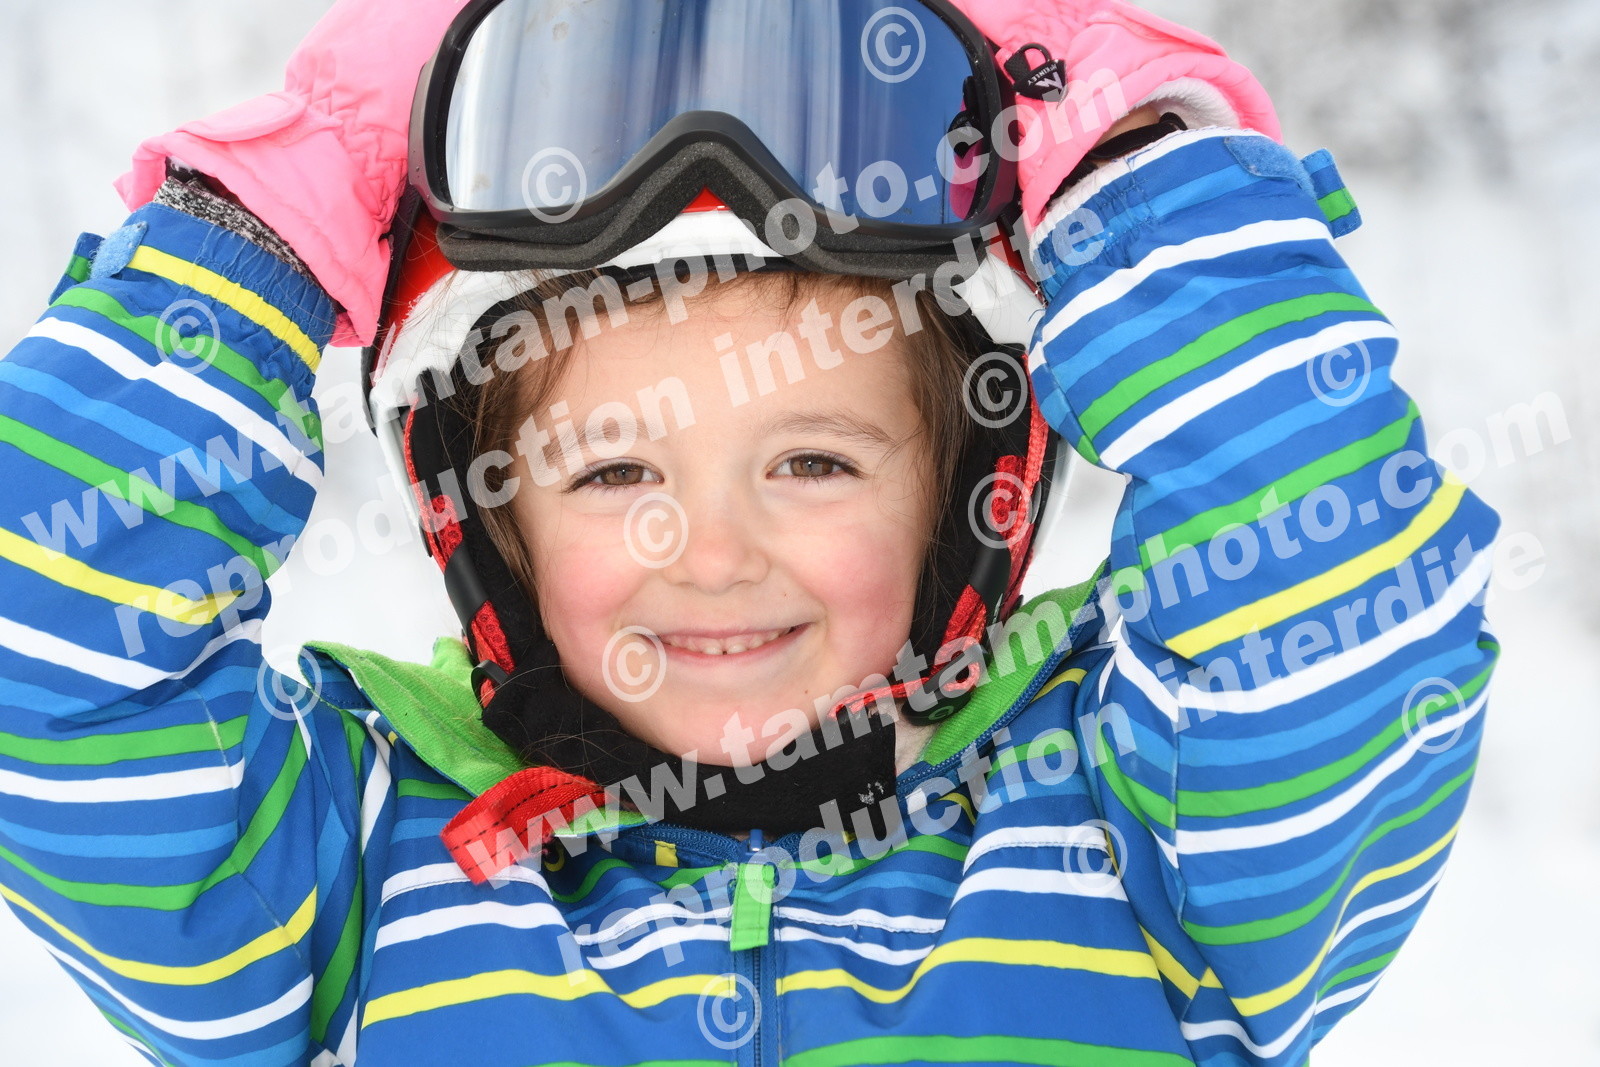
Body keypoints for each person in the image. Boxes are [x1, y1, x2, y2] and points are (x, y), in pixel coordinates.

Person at [0, 1, 1499, 1065]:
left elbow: (1328, 560)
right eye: (609, 475)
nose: (711, 553)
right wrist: (269, 210)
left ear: (966, 497)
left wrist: (1123, 152)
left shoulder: (1134, 839)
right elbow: (44, 651)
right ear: (494, 528)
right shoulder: (353, 888)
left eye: (812, 462)